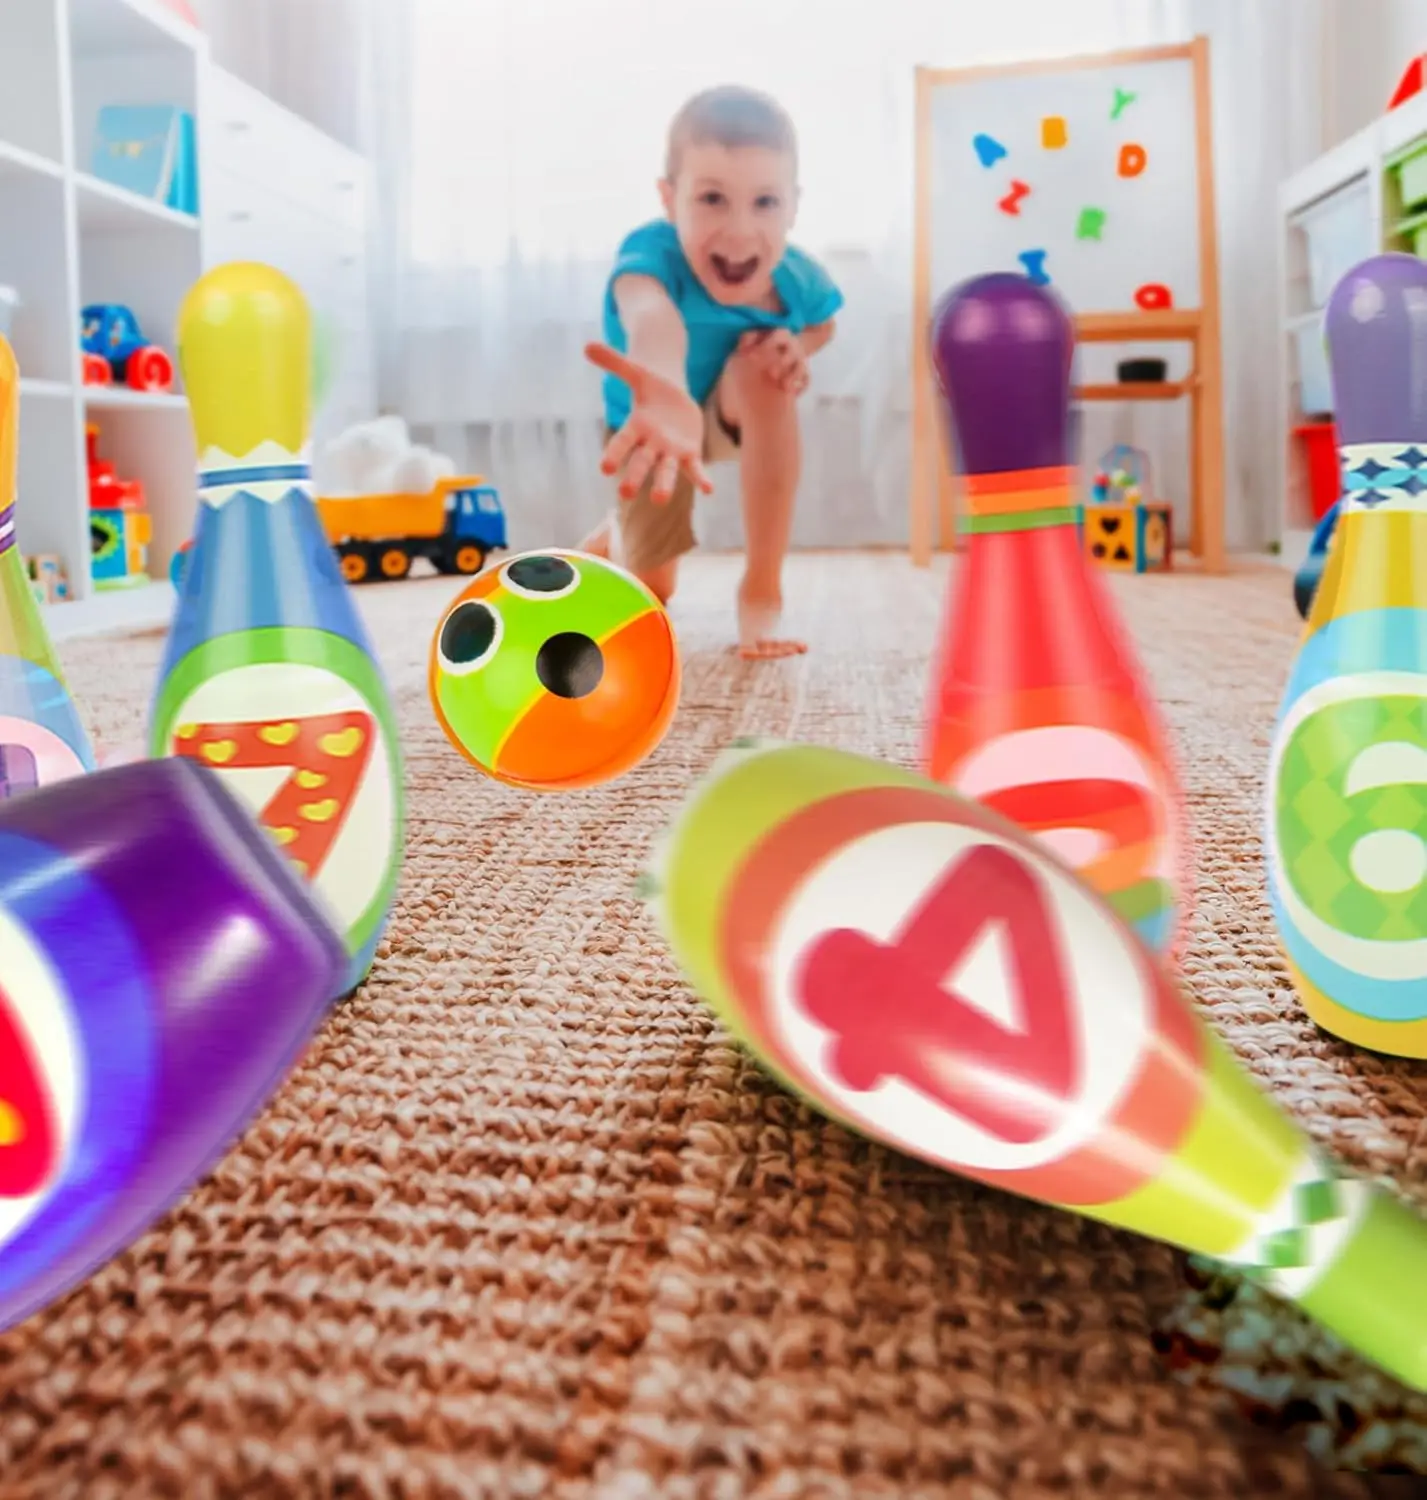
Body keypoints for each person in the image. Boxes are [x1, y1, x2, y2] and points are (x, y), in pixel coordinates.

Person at [580, 85, 843, 659]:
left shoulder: (798, 278)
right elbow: (653, 320)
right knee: (652, 589)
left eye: (765, 203)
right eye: (713, 199)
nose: (741, 230)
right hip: (653, 426)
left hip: (729, 405)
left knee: (765, 365)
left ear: (793, 206)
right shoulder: (649, 256)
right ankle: (610, 542)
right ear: (669, 198)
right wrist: (666, 390)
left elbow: (824, 324)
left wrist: (794, 345)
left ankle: (762, 590)